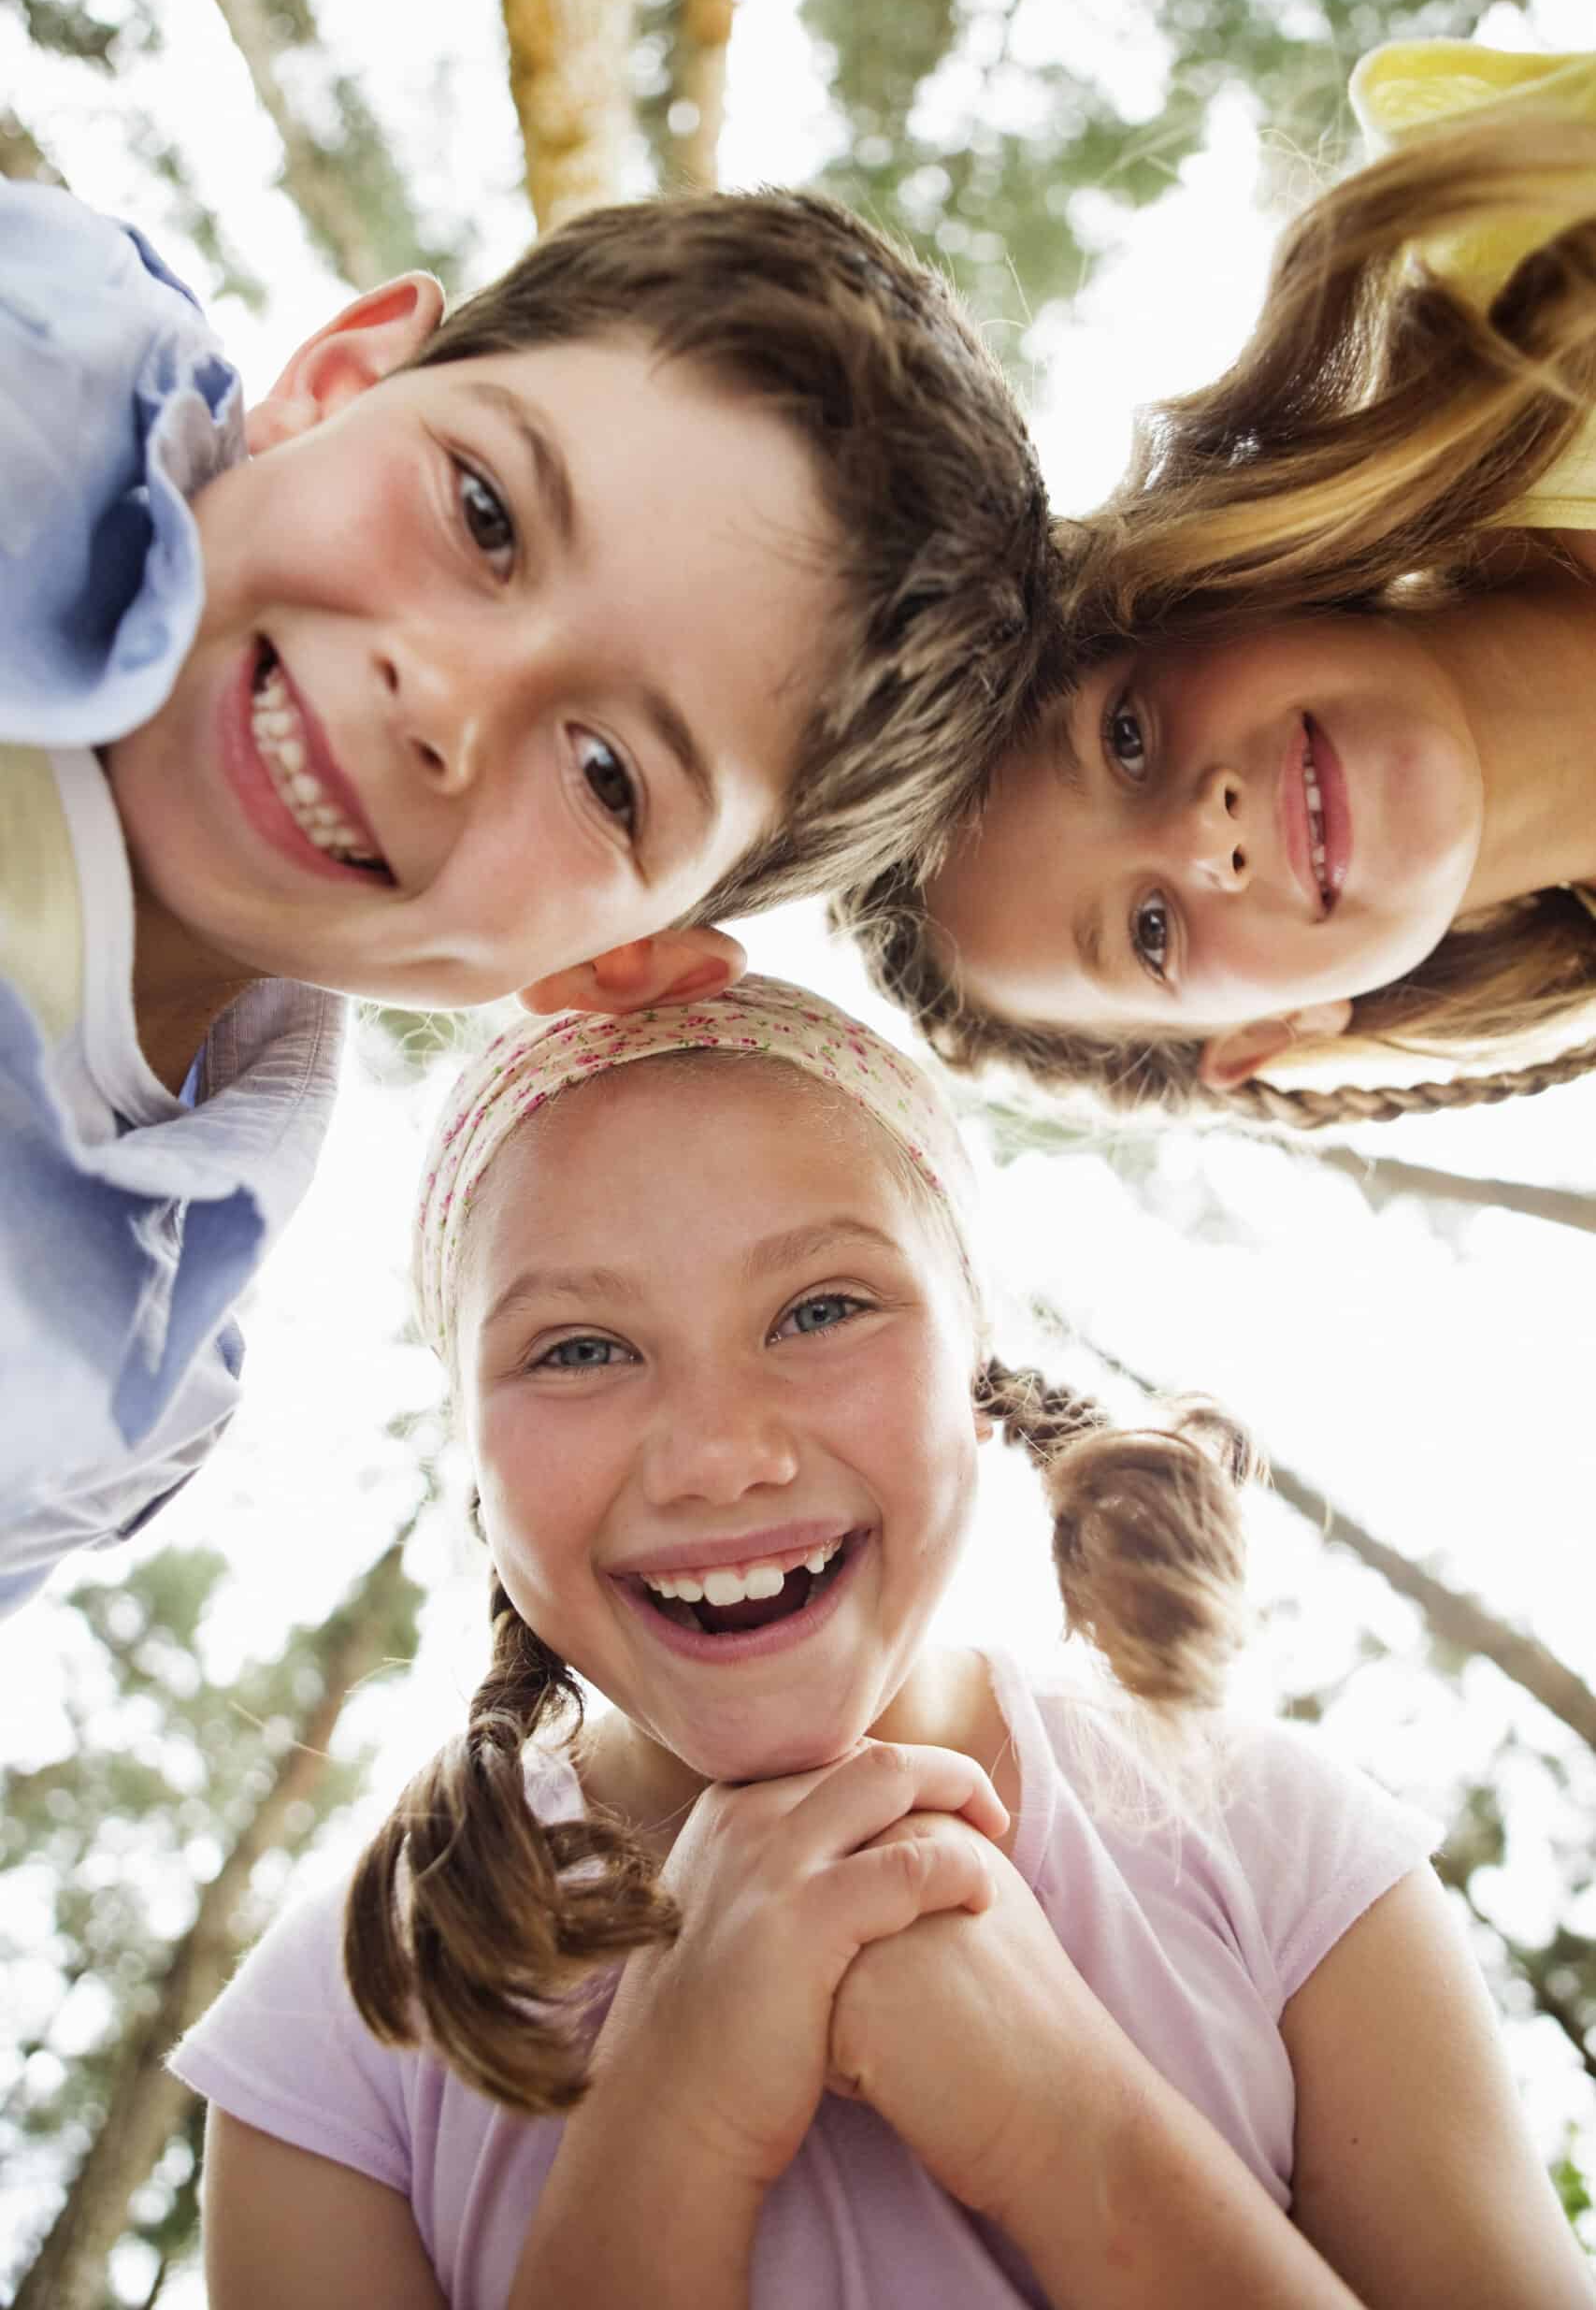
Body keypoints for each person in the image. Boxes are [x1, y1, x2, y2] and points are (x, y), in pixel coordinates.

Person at [171, 976, 1588, 2309]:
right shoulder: (349, 2021)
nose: (717, 1457)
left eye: (821, 1310)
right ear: (472, 1463)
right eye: (580, 1349)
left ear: (975, 1374)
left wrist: (1064, 2129)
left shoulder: (1278, 1853)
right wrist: (670, 2113)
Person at [0, 178, 1062, 1612]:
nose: (443, 701)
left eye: (610, 777)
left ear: (620, 960)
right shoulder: (36, 341)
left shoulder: (100, 1398)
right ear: (337, 380)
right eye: (483, 513)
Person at [840, 42, 1596, 1134]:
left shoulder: (1524, 259)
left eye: (1127, 740)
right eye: (1152, 932)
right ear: (1277, 1031)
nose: (1206, 835)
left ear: (1188, 601)